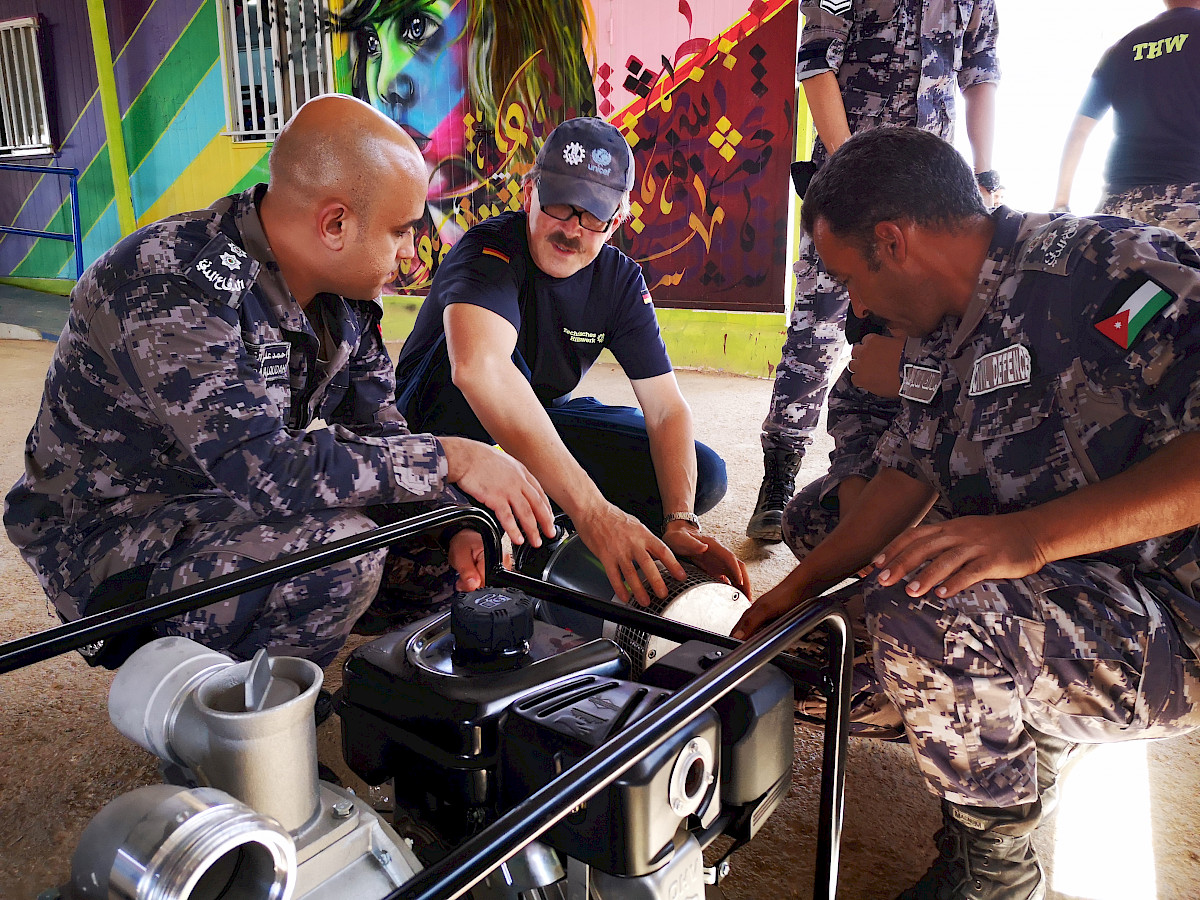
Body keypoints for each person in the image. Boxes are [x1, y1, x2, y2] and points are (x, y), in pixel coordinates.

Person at [733, 127, 1200, 899]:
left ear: (893, 241)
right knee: (829, 659)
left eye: (852, 279)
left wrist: (1027, 539)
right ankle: (1031, 724)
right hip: (1075, 584)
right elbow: (903, 478)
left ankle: (995, 875)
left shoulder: (1113, 270)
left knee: (925, 614)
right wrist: (791, 597)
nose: (855, 306)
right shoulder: (936, 327)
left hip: (1174, 617)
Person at [3, 95, 555, 669]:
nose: (411, 253)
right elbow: (266, 469)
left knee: (456, 547)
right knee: (343, 551)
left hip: (226, 507)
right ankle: (248, 723)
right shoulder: (169, 285)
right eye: (399, 232)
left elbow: (381, 431)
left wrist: (453, 519)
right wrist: (452, 459)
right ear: (335, 223)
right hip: (113, 543)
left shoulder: (342, 295)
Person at [393, 116, 749, 606]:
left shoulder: (620, 282)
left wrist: (680, 520)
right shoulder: (488, 250)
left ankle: (532, 512)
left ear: (618, 219)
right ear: (528, 193)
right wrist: (593, 513)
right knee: (426, 563)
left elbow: (667, 409)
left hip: (535, 422)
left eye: (593, 216)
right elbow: (481, 369)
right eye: (558, 205)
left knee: (703, 475)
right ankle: (497, 516)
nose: (570, 230)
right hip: (444, 430)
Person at [747, 0, 1000, 542]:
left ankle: (910, 474)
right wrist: (851, 177)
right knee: (816, 330)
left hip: (930, 193)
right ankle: (780, 473)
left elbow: (980, 73)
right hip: (847, 186)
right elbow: (817, 66)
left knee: (916, 335)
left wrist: (985, 172)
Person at [1052, 0, 1200, 249]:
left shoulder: (1122, 47)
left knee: (1141, 289)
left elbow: (1079, 132)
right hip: (1186, 202)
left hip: (1118, 209)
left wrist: (1061, 205)